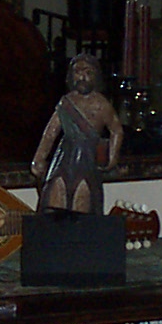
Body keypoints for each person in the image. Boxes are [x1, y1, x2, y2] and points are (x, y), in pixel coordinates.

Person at [32, 53, 125, 212]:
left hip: (88, 161)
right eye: (78, 72)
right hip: (64, 159)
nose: (82, 77)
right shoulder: (66, 102)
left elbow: (116, 130)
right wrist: (39, 158)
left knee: (84, 202)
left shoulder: (101, 104)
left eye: (88, 72)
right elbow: (50, 132)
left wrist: (112, 157)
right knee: (55, 198)